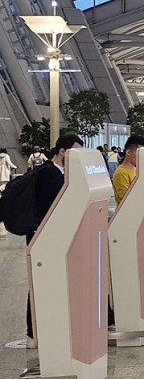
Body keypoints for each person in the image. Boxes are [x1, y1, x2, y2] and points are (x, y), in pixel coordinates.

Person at [21, 135, 83, 347]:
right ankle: (33, 333)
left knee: (51, 282)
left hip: (52, 236)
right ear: (63, 151)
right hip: (42, 236)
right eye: (74, 152)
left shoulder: (62, 173)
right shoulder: (49, 174)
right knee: (40, 283)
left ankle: (45, 329)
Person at [112, 135, 144, 204]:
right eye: (139, 152)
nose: (142, 156)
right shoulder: (121, 173)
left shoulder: (136, 170)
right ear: (128, 152)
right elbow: (127, 199)